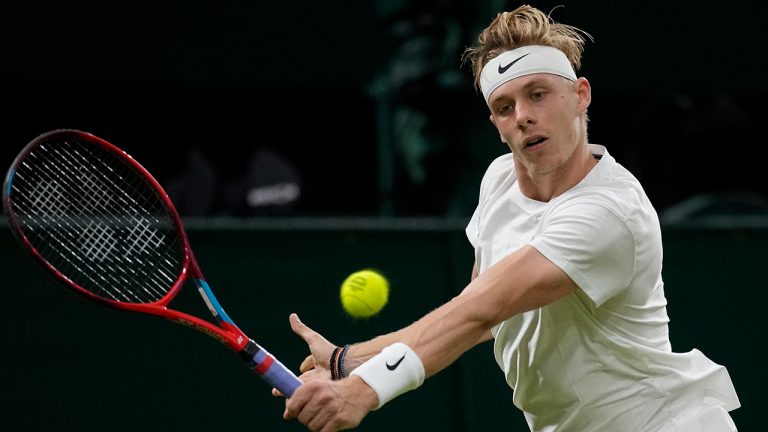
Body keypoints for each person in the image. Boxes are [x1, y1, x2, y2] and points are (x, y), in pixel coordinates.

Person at [279, 5, 741, 431]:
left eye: (538, 95)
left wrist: (362, 390)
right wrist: (348, 360)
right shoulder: (499, 181)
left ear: (581, 95)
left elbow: (484, 308)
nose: (523, 117)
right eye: (505, 107)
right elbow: (481, 314)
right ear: (496, 126)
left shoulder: (608, 213)